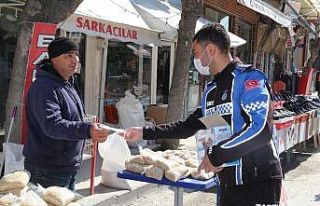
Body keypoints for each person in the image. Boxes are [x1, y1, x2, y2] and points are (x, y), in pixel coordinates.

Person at [122, 23, 283, 206]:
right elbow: (187, 127)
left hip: (258, 183)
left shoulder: (249, 79)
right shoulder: (211, 91)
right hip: (227, 183)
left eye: (197, 52)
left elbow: (260, 130)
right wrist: (144, 132)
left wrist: (216, 155)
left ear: (211, 49)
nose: (195, 58)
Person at [23, 37, 110, 190]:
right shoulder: (45, 87)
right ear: (54, 60)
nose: (75, 60)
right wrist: (87, 130)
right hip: (48, 169)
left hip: (67, 166)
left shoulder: (67, 82)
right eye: (68, 56)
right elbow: (52, 125)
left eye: (76, 54)